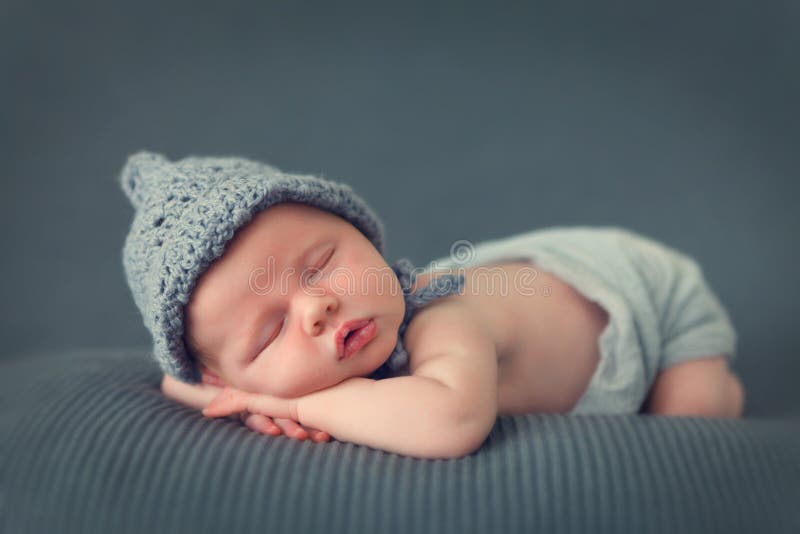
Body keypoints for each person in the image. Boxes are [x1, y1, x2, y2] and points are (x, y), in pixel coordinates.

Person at [121, 151, 745, 459]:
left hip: (644, 296)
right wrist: (232, 393)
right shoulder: (230, 376)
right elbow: (189, 384)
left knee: (693, 420)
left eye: (321, 265)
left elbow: (450, 423)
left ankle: (717, 383)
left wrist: (282, 397)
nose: (317, 306)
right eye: (270, 331)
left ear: (363, 235)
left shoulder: (445, 322)